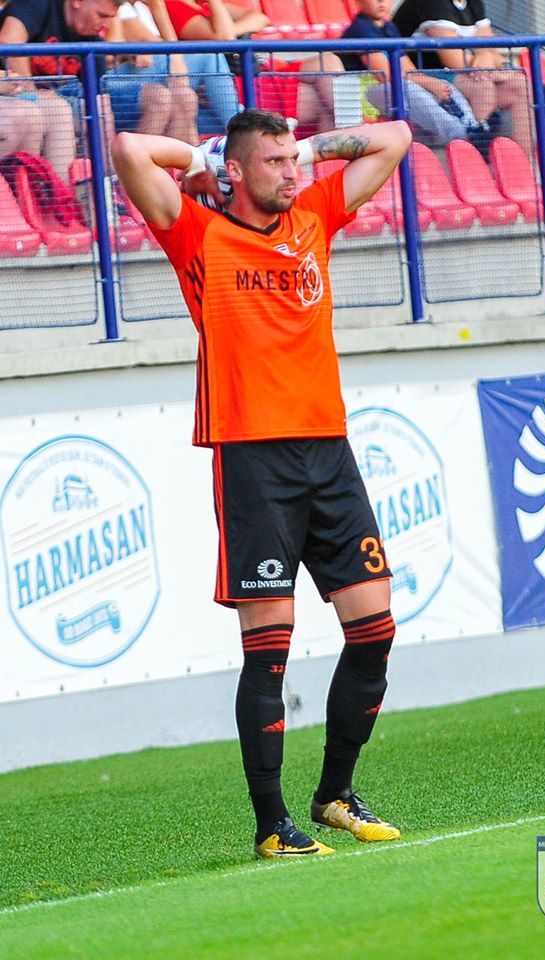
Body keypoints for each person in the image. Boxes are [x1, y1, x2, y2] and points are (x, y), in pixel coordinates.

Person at [112, 108, 411, 858]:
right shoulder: (197, 234)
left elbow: (395, 138)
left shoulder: (313, 214)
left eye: (292, 159)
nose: (291, 172)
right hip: (253, 460)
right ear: (237, 172)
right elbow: (129, 148)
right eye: (273, 161)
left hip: (329, 451)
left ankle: (335, 794)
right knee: (269, 649)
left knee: (374, 630)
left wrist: (306, 148)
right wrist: (203, 158)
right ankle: (272, 825)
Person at [165, 0, 345, 133]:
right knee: (321, 102)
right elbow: (224, 38)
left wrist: (232, 30)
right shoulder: (173, 5)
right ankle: (348, 140)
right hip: (231, 84)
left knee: (329, 61)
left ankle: (346, 140)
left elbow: (260, 19)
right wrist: (229, 30)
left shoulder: (202, 3)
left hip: (256, 70)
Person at [393, 0, 533, 156]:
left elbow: (492, 51)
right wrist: (485, 57)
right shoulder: (431, 3)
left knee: (519, 84)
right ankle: (479, 160)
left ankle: (526, 163)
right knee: (481, 86)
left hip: (464, 74)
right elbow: (455, 61)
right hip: (427, 77)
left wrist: (486, 55)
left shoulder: (474, 3)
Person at [341, 0, 485, 146]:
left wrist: (433, 83)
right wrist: (428, 82)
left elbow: (409, 69)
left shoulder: (389, 27)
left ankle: (472, 126)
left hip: (387, 88)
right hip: (361, 94)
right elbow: (387, 75)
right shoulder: (361, 28)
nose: (381, 2)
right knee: (407, 87)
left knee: (442, 84)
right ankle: (459, 135)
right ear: (359, 3)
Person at [0, 0, 120, 169]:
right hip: (14, 92)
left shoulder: (93, 38)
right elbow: (9, 41)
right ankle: (45, 184)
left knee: (101, 107)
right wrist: (31, 91)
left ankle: (105, 180)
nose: (106, 25)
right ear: (78, 2)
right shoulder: (39, 3)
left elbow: (98, 94)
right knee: (57, 110)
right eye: (102, 16)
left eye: (110, 18)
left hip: (59, 96)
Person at [104, 1, 199, 142]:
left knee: (186, 97)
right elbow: (167, 51)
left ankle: (187, 151)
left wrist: (158, 8)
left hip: (140, 75)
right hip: (106, 80)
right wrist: (158, 8)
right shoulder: (118, 7)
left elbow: (169, 51)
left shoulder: (140, 8)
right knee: (166, 64)